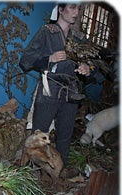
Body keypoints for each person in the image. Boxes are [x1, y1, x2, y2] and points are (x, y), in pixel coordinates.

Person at [19, 3, 98, 177]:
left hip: (71, 91)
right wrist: (49, 58)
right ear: (61, 10)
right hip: (50, 88)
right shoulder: (47, 32)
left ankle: (60, 173)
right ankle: (32, 175)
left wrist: (87, 68)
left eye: (78, 9)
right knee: (39, 132)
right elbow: (25, 60)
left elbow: (95, 65)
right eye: (72, 8)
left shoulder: (79, 38)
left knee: (65, 135)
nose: (76, 13)